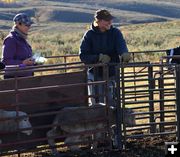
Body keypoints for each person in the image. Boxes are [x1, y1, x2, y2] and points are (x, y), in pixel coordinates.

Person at [79, 9, 130, 106]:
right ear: (98, 21)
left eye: (110, 20)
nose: (110, 22)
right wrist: (98, 58)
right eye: (106, 20)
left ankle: (115, 120)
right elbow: (83, 55)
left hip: (112, 73)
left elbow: (121, 45)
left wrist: (124, 54)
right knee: (97, 104)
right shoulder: (89, 35)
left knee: (114, 102)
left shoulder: (115, 33)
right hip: (95, 74)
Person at [1, 13, 34, 79]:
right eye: (26, 25)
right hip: (15, 80)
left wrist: (33, 62)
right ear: (18, 24)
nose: (29, 27)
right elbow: (6, 61)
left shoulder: (22, 39)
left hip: (25, 78)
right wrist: (22, 63)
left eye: (29, 25)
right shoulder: (11, 39)